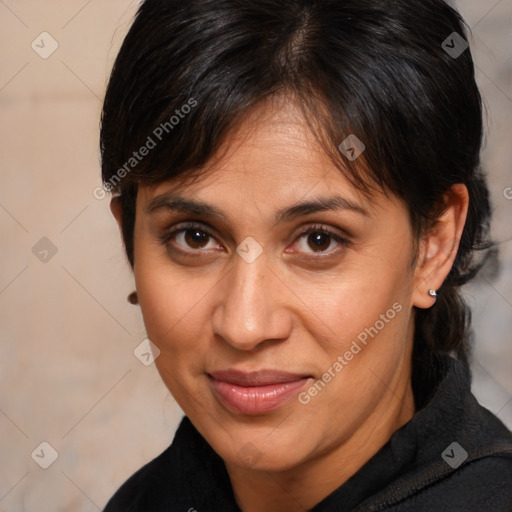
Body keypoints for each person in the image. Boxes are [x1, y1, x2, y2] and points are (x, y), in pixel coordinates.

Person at [100, 0, 512, 510]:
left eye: (319, 240)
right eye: (195, 237)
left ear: (433, 244)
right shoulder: (145, 502)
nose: (245, 325)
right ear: (130, 241)